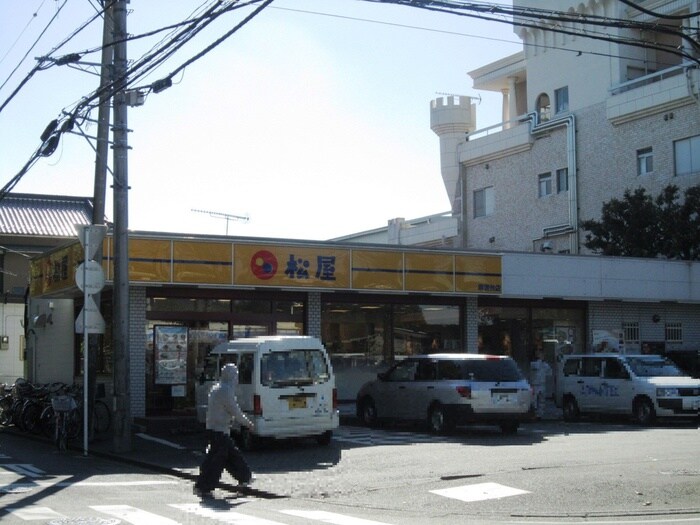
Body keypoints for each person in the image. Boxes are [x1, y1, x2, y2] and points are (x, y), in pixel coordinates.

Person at [194, 363, 255, 498]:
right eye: (236, 375)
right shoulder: (226, 391)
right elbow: (235, 410)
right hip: (220, 430)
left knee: (229, 456)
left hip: (213, 428)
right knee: (217, 461)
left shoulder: (216, 388)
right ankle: (203, 486)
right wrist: (247, 423)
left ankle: (245, 478)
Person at [529, 348, 552, 419]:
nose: (541, 355)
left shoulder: (545, 365)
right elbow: (536, 367)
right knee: (534, 401)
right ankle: (534, 414)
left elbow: (549, 373)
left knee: (542, 400)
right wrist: (540, 360)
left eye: (541, 354)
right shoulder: (533, 363)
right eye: (539, 354)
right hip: (534, 384)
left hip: (542, 384)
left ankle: (540, 415)